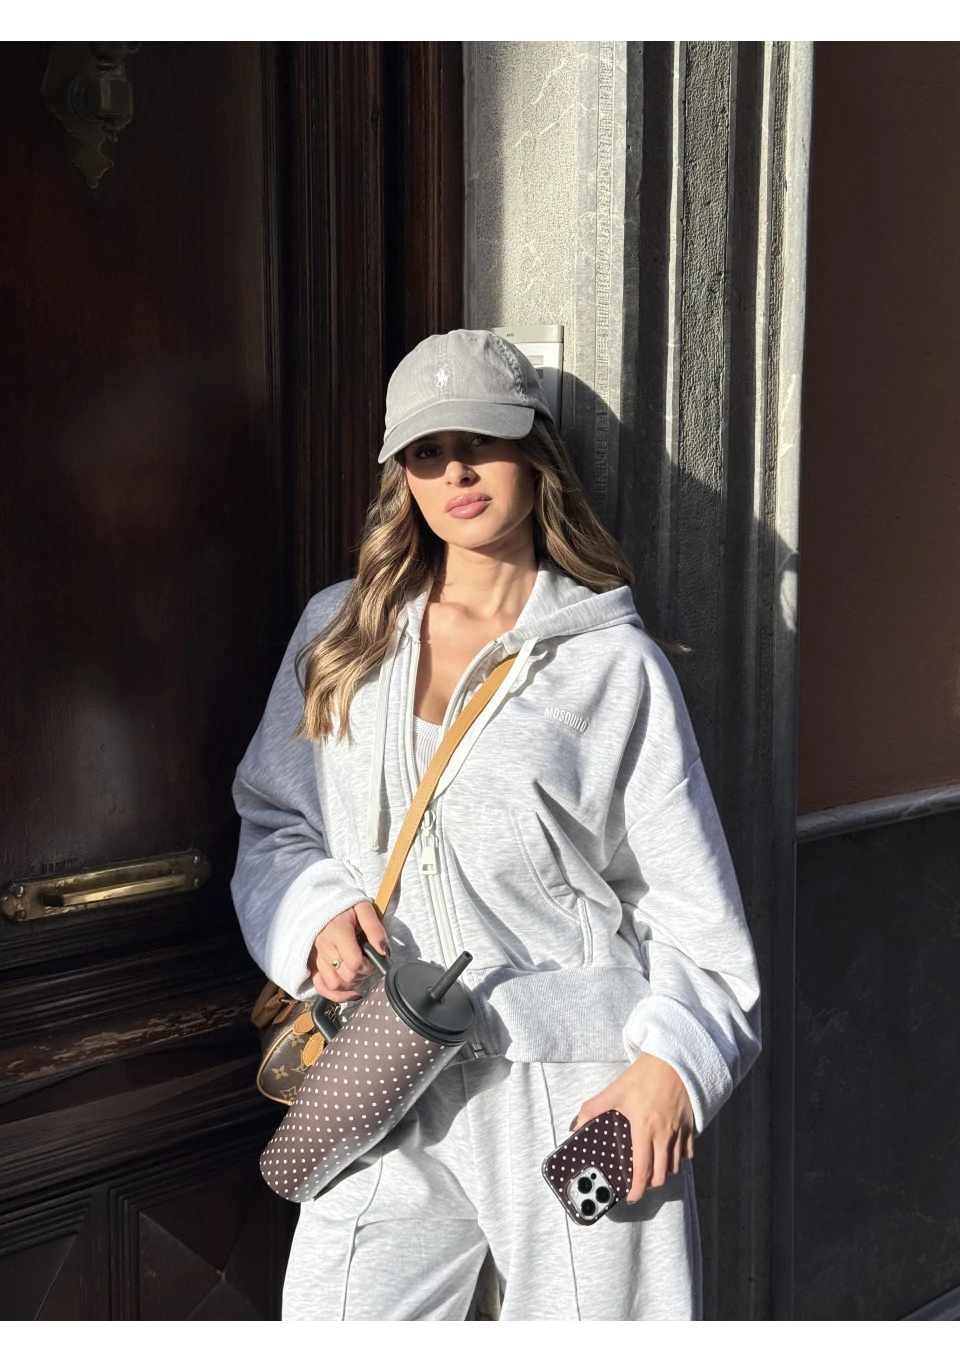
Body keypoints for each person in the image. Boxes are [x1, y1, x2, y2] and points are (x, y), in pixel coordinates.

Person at [230, 329, 761, 1327]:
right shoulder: (341, 636)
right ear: (401, 475)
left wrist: (671, 1069)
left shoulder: (612, 668)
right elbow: (275, 820)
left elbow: (692, 913)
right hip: (383, 1062)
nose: (457, 473)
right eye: (427, 451)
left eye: (483, 441)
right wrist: (318, 913)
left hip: (570, 1076)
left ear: (535, 452)